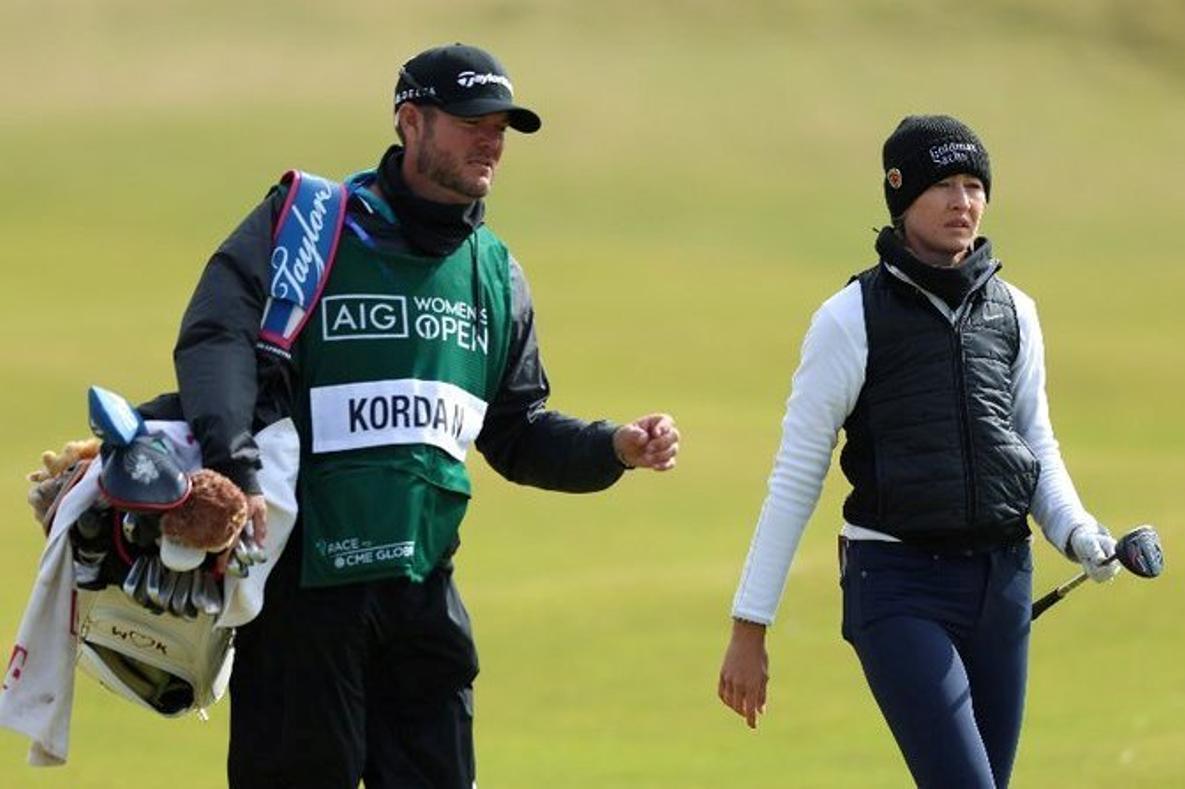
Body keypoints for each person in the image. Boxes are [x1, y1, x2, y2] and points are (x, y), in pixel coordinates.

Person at [173, 43, 680, 789]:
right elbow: (217, 337)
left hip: (423, 598)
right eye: (471, 120)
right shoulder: (307, 223)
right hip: (303, 599)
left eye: (502, 125)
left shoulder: (494, 272)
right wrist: (237, 465)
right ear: (411, 122)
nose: (492, 140)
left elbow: (516, 429)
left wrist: (613, 447)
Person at [716, 115, 1118, 788]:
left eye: (973, 184)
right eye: (943, 186)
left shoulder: (1016, 311)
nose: (963, 201)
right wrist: (749, 625)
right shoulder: (849, 319)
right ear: (902, 199)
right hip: (897, 583)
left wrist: (1076, 531)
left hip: (1003, 581)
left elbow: (1032, 443)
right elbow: (795, 476)